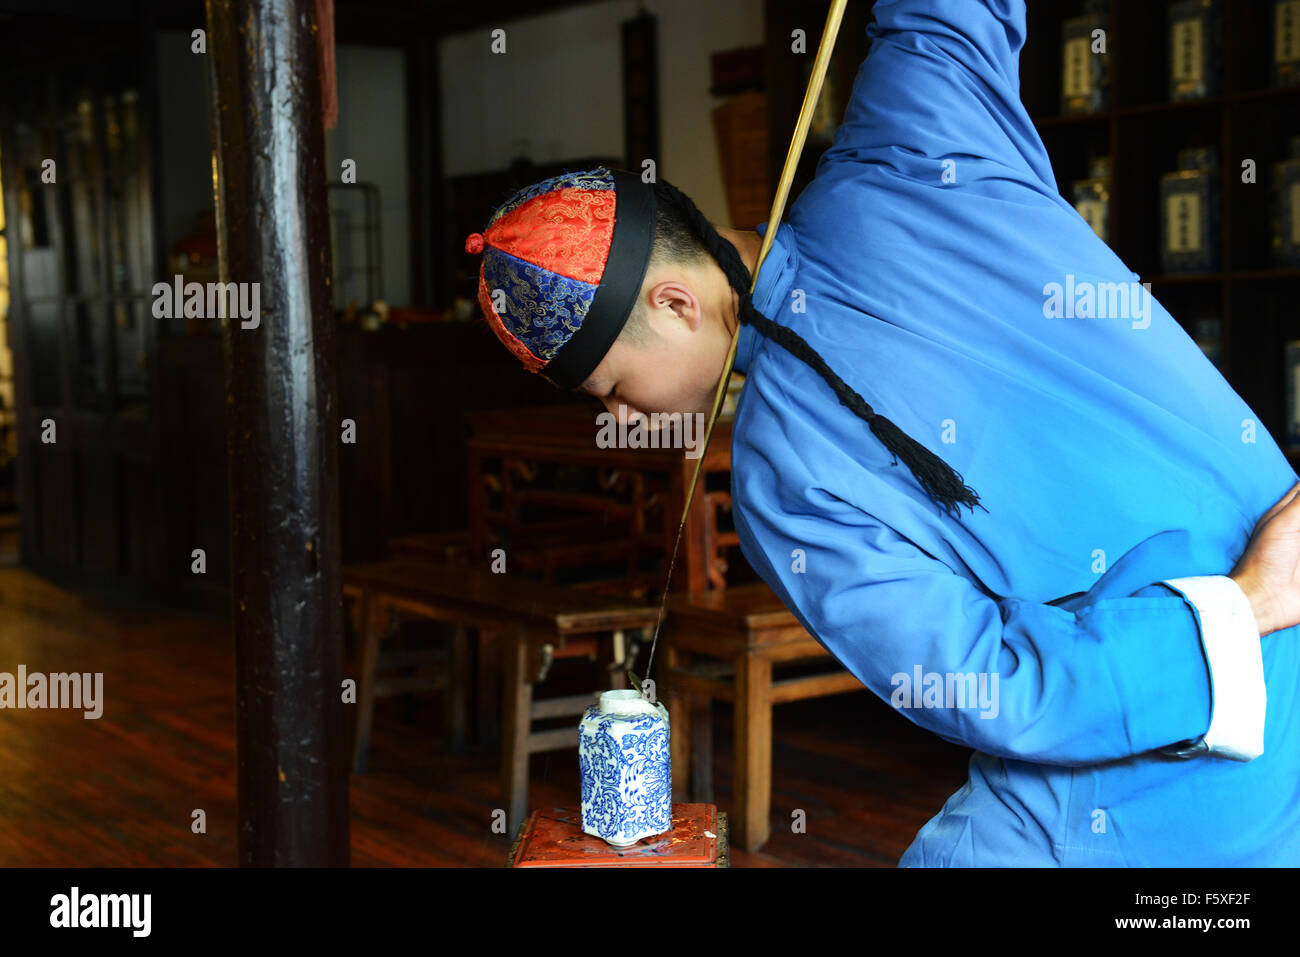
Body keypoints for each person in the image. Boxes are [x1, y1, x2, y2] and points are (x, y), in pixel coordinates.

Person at [463, 0, 1300, 865]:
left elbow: (995, 687)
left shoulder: (777, 484)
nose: (621, 421)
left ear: (673, 304)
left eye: (612, 390)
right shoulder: (912, 142)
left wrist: (1255, 603)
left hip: (1187, 750)